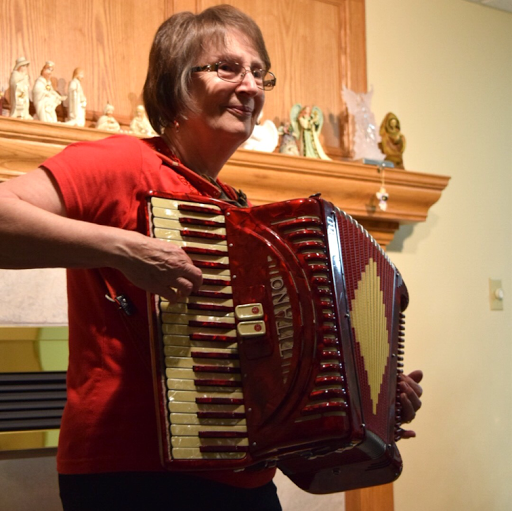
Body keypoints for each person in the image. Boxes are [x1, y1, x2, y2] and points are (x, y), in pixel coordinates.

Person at [0, 5, 422, 511]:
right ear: (176, 82)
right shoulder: (122, 162)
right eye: (227, 67)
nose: (251, 86)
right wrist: (126, 249)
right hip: (130, 475)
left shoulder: (244, 220)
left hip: (244, 479)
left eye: (259, 73)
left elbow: (272, 366)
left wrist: (368, 394)